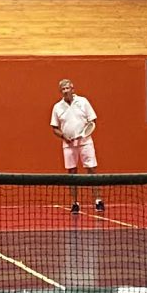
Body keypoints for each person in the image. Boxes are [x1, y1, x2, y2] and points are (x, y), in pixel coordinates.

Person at [50, 78, 102, 213]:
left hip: (85, 143)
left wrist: (85, 133)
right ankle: (74, 203)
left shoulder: (83, 102)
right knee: (72, 173)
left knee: (91, 170)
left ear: (72, 89)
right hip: (68, 144)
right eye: (63, 89)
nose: (65, 91)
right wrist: (63, 136)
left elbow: (92, 120)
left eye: (67, 88)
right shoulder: (57, 107)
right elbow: (54, 128)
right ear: (60, 91)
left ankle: (98, 201)